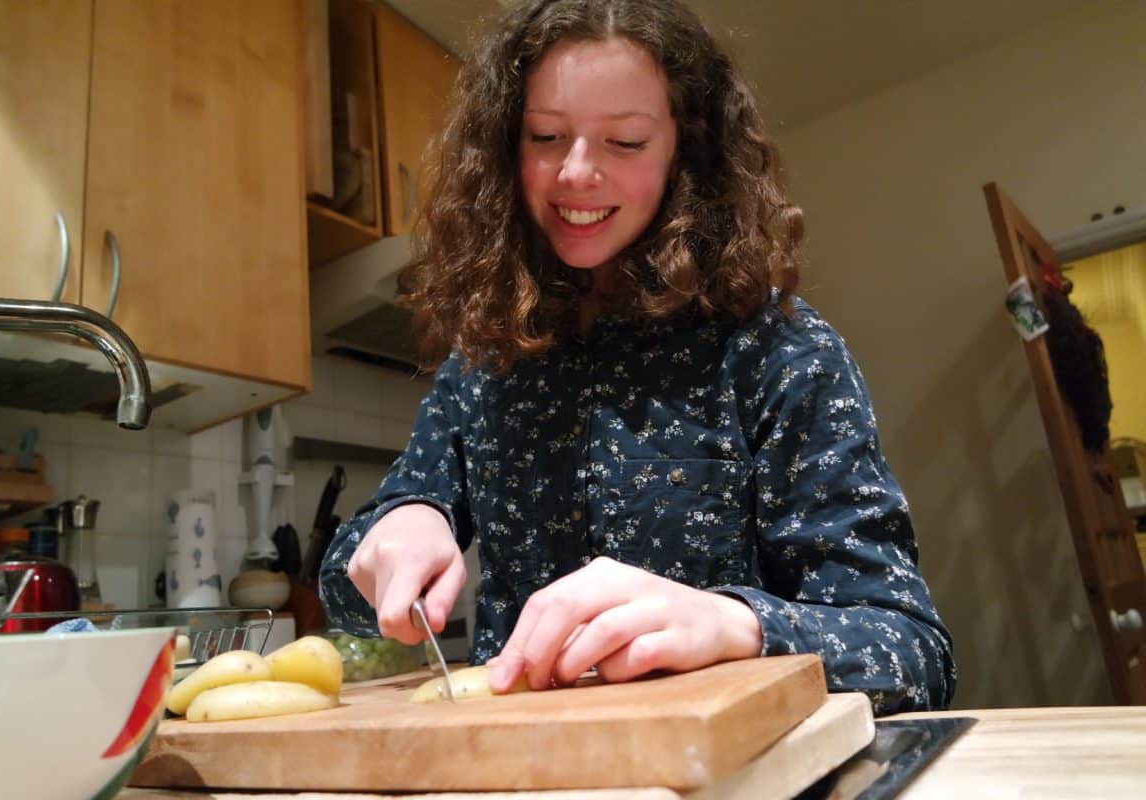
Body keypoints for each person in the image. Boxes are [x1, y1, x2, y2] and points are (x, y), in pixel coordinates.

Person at [319, 0, 956, 715]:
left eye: (624, 142)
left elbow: (910, 652)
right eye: (545, 135)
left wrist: (731, 622)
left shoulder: (779, 352)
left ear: (689, 154)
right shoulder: (486, 361)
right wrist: (406, 519)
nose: (576, 173)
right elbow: (346, 592)